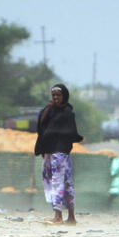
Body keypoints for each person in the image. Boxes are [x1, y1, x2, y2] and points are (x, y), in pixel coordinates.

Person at [34, 83, 83, 224]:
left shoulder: (67, 112)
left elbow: (70, 132)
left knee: (60, 183)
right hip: (49, 152)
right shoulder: (49, 111)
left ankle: (59, 216)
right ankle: (68, 218)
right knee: (57, 182)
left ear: (64, 96)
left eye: (58, 95)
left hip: (61, 153)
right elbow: (41, 125)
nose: (56, 97)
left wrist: (55, 135)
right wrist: (49, 108)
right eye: (53, 95)